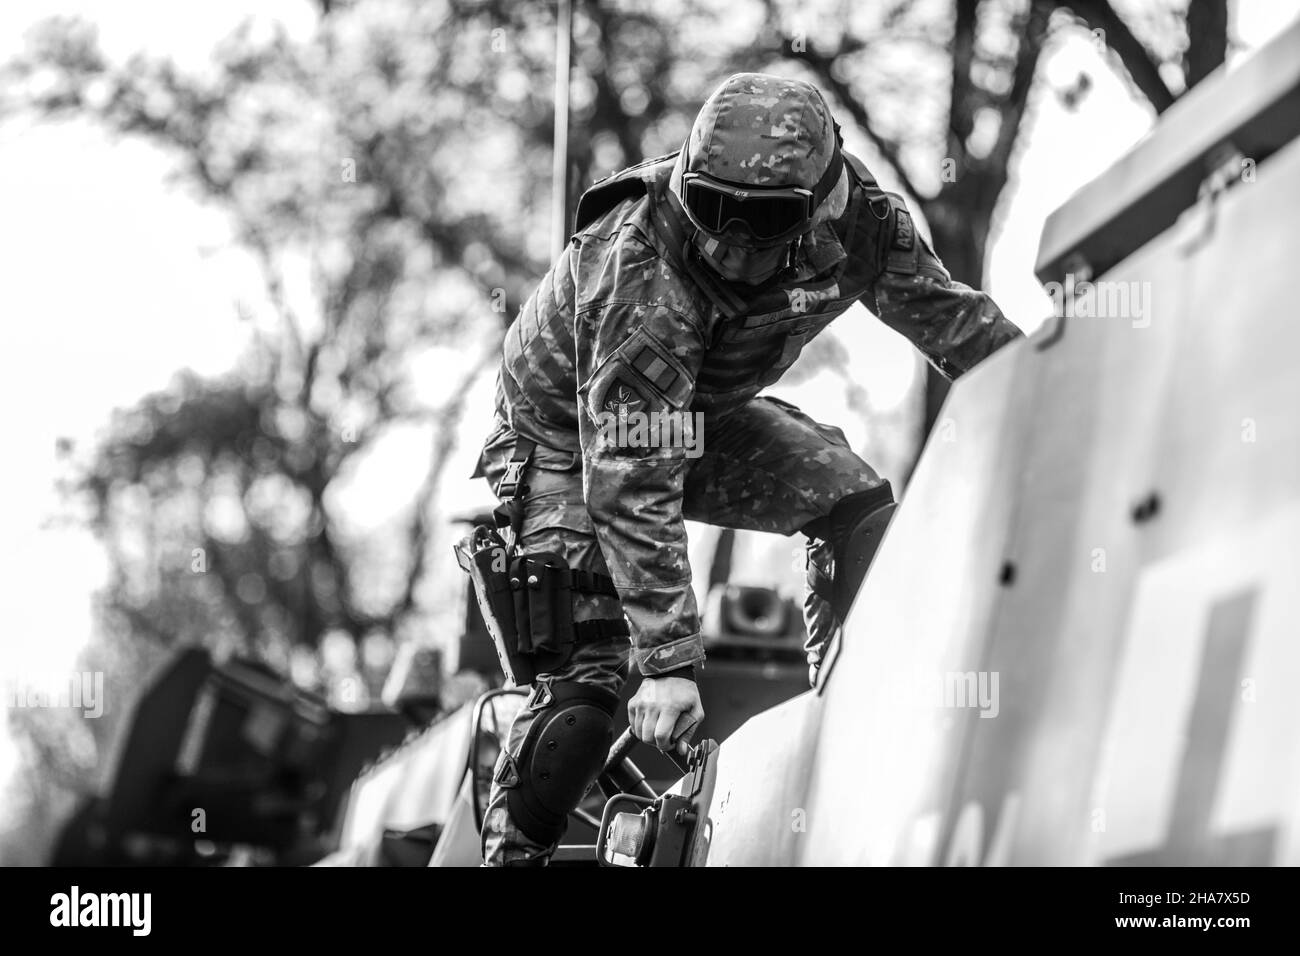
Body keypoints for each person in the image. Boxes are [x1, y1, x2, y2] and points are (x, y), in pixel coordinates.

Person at [472, 72, 1021, 865]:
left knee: (857, 509)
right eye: (711, 210)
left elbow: (955, 324)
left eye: (760, 222)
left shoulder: (862, 223)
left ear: (819, 207)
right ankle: (513, 852)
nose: (729, 242)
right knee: (588, 691)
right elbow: (632, 479)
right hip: (560, 440)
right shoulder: (644, 269)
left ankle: (851, 715)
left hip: (700, 411)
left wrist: (1063, 389)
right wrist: (666, 662)